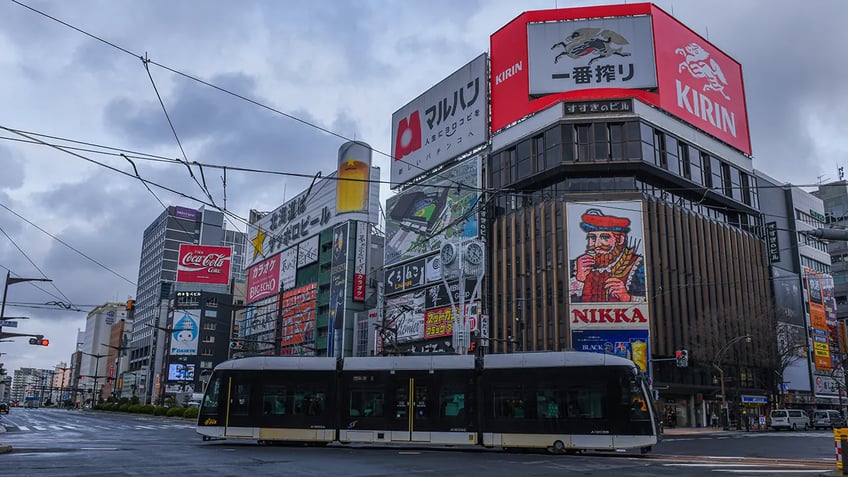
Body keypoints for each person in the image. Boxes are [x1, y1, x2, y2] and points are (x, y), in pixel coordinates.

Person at [570, 209, 646, 303]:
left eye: (605, 237)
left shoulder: (638, 265)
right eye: (592, 237)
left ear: (621, 240)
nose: (597, 244)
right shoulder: (575, 266)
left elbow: (653, 301)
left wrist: (627, 298)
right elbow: (560, 301)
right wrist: (579, 280)